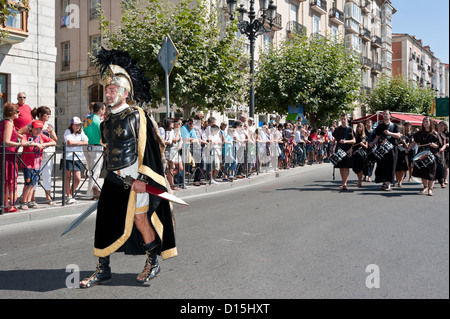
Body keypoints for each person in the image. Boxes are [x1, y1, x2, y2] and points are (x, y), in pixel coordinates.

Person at [79, 48, 177, 288]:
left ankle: (152, 262)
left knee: (141, 221)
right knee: (104, 222)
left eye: (113, 90)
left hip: (136, 180)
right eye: (107, 90)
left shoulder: (137, 115)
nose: (108, 94)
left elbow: (148, 148)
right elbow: (105, 147)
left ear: (125, 93)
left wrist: (143, 179)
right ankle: (103, 270)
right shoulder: (106, 120)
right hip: (113, 179)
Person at [18, 106, 58, 205]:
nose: (48, 116)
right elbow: (20, 133)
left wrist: (51, 134)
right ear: (40, 115)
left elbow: (55, 140)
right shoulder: (32, 125)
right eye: (46, 114)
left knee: (44, 176)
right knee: (31, 180)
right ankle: (30, 199)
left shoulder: (48, 127)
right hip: (31, 157)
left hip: (44, 155)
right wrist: (30, 142)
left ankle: (48, 198)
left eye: (49, 114)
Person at [407, 116, 442, 197]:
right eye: (424, 121)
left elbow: (438, 145)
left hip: (432, 155)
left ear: (430, 123)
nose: (425, 123)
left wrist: (434, 145)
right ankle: (425, 187)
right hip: (422, 155)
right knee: (423, 172)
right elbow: (414, 142)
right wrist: (408, 149)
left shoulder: (435, 134)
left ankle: (430, 189)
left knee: (431, 173)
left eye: (427, 121)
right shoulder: (419, 133)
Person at [369, 110, 401, 192]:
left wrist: (390, 133)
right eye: (384, 114)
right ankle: (384, 182)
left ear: (390, 115)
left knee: (391, 166)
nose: (385, 115)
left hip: (392, 149)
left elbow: (399, 135)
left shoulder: (395, 126)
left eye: (387, 114)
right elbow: (377, 137)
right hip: (382, 149)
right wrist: (373, 142)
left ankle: (388, 184)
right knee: (382, 166)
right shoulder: (380, 126)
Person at [0, 103, 21, 212]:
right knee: (9, 179)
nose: (19, 113)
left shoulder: (5, 122)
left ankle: (6, 203)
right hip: (8, 155)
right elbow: (6, 141)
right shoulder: (8, 123)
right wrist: (21, 144)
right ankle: (7, 204)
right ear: (12, 113)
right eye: (17, 111)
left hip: (8, 154)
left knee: (7, 178)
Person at [64, 117, 89, 204]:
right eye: (76, 124)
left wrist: (76, 143)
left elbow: (86, 141)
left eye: (79, 124)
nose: (78, 126)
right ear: (72, 125)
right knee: (68, 177)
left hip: (77, 157)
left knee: (78, 178)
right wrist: (79, 143)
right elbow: (69, 143)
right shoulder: (67, 131)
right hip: (68, 157)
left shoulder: (81, 132)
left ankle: (70, 193)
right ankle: (68, 196)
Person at [83, 102, 105, 200]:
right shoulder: (100, 122)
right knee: (95, 172)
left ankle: (91, 191)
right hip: (96, 147)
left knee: (90, 170)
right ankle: (90, 193)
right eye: (103, 109)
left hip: (86, 147)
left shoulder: (87, 119)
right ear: (100, 110)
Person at [332, 113, 355, 191]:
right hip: (339, 150)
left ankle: (345, 183)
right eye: (342, 119)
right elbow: (334, 139)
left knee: (346, 167)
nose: (343, 120)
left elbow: (354, 141)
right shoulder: (337, 129)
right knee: (341, 167)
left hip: (348, 150)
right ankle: (343, 182)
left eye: (344, 119)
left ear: (347, 119)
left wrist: (345, 141)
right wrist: (332, 149)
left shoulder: (350, 129)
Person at [352, 123, 368, 187]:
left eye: (360, 127)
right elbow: (352, 145)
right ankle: (359, 180)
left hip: (361, 154)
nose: (359, 128)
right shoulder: (355, 136)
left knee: (360, 168)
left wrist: (363, 144)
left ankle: (359, 181)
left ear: (363, 128)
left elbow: (366, 147)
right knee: (356, 168)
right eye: (358, 127)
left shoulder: (365, 137)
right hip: (355, 154)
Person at [437, 121, 449, 186]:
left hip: (446, 151)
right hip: (439, 151)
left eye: (441, 125)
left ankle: (445, 179)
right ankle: (440, 178)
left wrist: (447, 144)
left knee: (446, 165)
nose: (440, 127)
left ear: (445, 126)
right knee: (439, 165)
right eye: (439, 125)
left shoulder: (447, 134)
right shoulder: (437, 133)